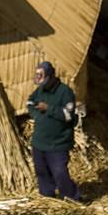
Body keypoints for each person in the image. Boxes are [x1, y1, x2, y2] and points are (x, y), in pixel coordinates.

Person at [25, 60, 82, 201]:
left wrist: (48, 109)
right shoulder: (40, 90)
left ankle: (71, 197)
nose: (42, 85)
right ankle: (48, 198)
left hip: (58, 143)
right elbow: (30, 102)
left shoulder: (65, 92)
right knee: (42, 172)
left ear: (51, 77)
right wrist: (36, 115)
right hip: (39, 142)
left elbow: (69, 115)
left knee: (59, 172)